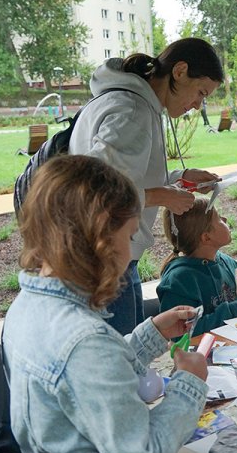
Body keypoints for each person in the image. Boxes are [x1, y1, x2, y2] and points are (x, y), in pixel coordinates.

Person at [2, 155, 209, 453]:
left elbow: (84, 387)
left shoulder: (27, 308)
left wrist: (151, 334)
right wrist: (189, 385)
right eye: (129, 235)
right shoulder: (83, 341)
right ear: (98, 239)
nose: (132, 250)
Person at [68, 37, 223, 336]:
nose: (197, 105)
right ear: (179, 71)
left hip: (113, 258)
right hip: (106, 261)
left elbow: (125, 176)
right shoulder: (132, 110)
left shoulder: (133, 102)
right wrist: (163, 196)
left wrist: (180, 177)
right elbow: (95, 193)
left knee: (130, 355)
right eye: (201, 92)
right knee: (122, 367)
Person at [157, 199, 237, 337]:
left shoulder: (228, 262)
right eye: (218, 218)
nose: (225, 219)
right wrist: (234, 310)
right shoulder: (179, 281)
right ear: (206, 238)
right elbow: (181, 334)